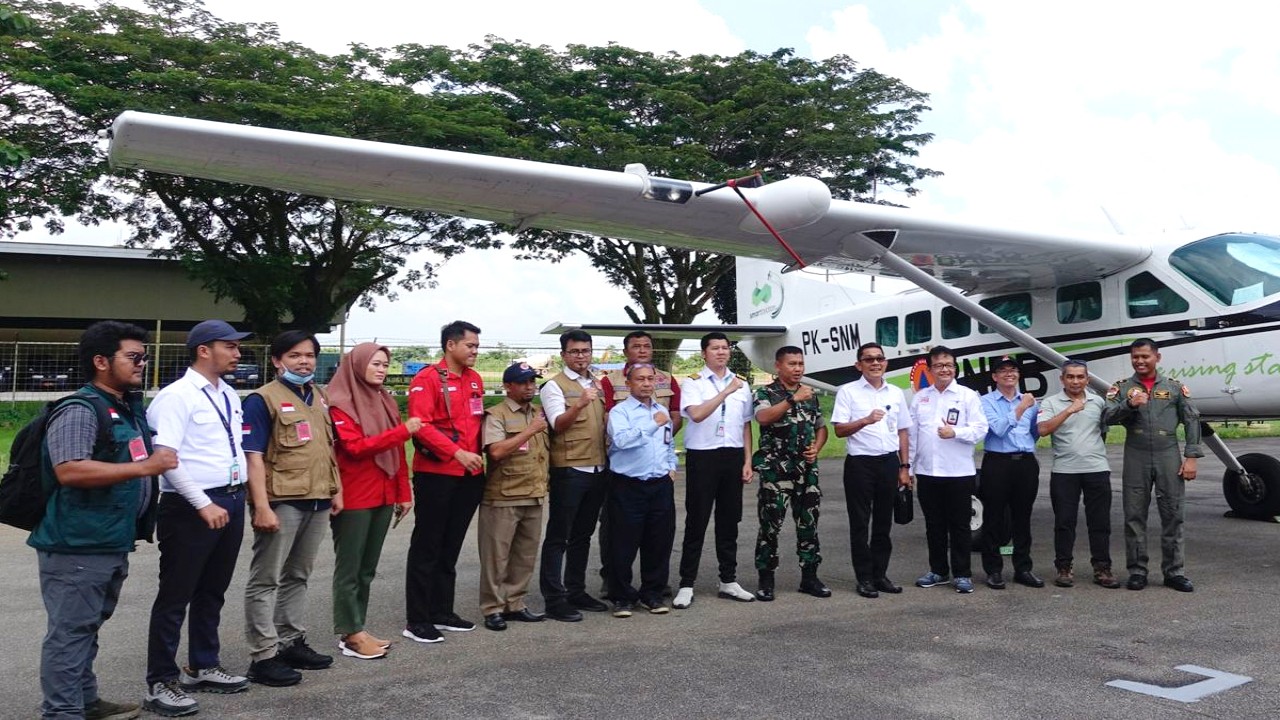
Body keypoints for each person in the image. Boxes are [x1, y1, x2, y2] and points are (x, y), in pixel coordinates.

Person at [31, 321, 175, 720]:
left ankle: (85, 701)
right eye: (133, 357)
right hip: (76, 544)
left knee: (86, 628)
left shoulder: (125, 407)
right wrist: (147, 467)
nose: (142, 363)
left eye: (143, 357)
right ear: (100, 361)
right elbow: (71, 470)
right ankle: (62, 713)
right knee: (69, 633)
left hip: (108, 539)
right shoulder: (80, 408)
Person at [144, 320, 253, 717]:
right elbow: (166, 460)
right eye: (230, 346)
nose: (238, 354)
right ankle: (161, 681)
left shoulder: (228, 394)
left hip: (231, 499)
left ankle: (203, 665)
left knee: (212, 590)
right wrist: (201, 503)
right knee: (176, 595)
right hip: (191, 507)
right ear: (204, 350)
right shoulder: (176, 397)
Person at [242, 331, 342, 686]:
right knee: (265, 579)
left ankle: (291, 642)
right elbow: (252, 457)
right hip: (281, 501)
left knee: (298, 576)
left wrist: (336, 490)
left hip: (316, 500)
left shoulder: (319, 396)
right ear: (276, 360)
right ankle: (263, 655)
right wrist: (261, 506)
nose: (304, 362)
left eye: (310, 355)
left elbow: (327, 449)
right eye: (295, 355)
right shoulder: (262, 399)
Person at [327, 343, 421, 657]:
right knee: (350, 568)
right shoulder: (340, 403)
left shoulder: (385, 401)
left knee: (367, 568)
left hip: (383, 493)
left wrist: (403, 492)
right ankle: (350, 632)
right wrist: (403, 432)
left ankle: (357, 628)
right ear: (357, 366)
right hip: (355, 495)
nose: (381, 370)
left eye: (385, 365)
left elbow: (395, 453)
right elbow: (355, 447)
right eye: (375, 364)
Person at [403, 321, 487, 642]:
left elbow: (477, 422)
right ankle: (418, 619)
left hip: (470, 476)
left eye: (477, 346)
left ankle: (442, 610)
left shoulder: (475, 379)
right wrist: (456, 453)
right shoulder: (428, 379)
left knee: (450, 545)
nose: (475, 351)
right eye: (470, 346)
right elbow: (420, 425)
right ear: (450, 345)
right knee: (428, 545)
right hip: (437, 474)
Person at [1103, 338, 1202, 593]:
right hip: (1135, 454)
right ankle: (1137, 571)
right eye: (1135, 356)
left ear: (1157, 357)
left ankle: (1174, 572)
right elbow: (1106, 417)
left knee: (1173, 513)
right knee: (1134, 515)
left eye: (1145, 356)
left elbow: (1192, 420)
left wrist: (1191, 457)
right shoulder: (1121, 388)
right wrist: (1129, 404)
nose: (1140, 361)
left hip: (1168, 452)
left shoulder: (1174, 387)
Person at [674, 332, 755, 608]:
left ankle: (728, 580)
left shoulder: (742, 385)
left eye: (725, 348)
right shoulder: (694, 383)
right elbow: (695, 414)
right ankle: (686, 583)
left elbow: (745, 425)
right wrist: (724, 392)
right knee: (697, 521)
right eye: (715, 348)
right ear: (704, 353)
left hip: (732, 456)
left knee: (729, 520)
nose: (721, 352)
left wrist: (747, 461)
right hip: (703, 457)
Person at [598, 330, 682, 596]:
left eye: (650, 379)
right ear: (629, 382)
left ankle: (653, 592)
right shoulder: (620, 411)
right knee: (622, 542)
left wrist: (671, 466)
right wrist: (650, 424)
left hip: (659, 483)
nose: (647, 384)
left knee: (658, 541)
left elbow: (668, 439)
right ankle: (620, 594)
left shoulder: (660, 409)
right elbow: (621, 440)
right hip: (627, 484)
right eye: (640, 380)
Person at [830, 342, 912, 599]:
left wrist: (904, 466)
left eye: (879, 359)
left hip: (888, 462)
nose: (875, 363)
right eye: (868, 359)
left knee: (884, 522)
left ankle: (880, 574)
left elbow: (902, 431)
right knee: (860, 522)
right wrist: (865, 420)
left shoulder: (896, 393)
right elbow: (839, 430)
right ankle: (864, 577)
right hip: (860, 463)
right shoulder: (848, 392)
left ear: (885, 363)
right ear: (859, 365)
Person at [538, 330, 609, 622]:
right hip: (570, 469)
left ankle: (576, 590)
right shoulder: (553, 386)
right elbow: (557, 424)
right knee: (559, 536)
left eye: (585, 350)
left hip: (598, 468)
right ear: (564, 355)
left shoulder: (598, 382)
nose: (581, 356)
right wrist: (578, 403)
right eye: (575, 351)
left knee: (583, 535)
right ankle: (555, 599)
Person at [751, 346, 830, 602]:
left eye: (800, 364)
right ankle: (766, 578)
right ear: (778, 366)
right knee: (770, 526)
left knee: (808, 524)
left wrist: (816, 448)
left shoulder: (810, 394)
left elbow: (821, 427)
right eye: (792, 364)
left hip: (805, 472)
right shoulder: (765, 393)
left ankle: (809, 577)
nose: (797, 369)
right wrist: (792, 399)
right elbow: (763, 417)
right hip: (776, 471)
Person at [477, 362, 550, 631]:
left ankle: (515, 603)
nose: (530, 386)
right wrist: (530, 430)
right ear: (508, 386)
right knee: (496, 557)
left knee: (525, 555)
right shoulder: (496, 415)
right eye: (523, 382)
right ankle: (493, 608)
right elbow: (495, 451)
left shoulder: (537, 413)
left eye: (533, 381)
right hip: (503, 497)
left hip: (533, 493)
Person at [909, 346, 988, 594]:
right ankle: (938, 570)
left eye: (949, 365)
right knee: (934, 525)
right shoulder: (921, 397)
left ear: (954, 368)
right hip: (927, 472)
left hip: (958, 473)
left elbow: (980, 429)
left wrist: (955, 432)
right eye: (939, 365)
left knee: (960, 526)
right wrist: (907, 468)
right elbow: (912, 436)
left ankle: (963, 573)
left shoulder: (967, 396)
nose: (945, 369)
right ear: (930, 369)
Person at [1037, 360, 1121, 589]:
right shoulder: (1051, 402)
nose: (1075, 381)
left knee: (1100, 522)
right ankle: (1064, 567)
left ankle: (1102, 568)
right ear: (1062, 379)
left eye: (1080, 377)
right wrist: (1069, 410)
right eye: (1070, 377)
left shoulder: (1098, 401)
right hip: (1065, 471)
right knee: (1064, 522)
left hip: (1097, 469)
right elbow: (1042, 430)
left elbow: (1104, 429)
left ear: (1088, 380)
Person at [978, 358, 1044, 590]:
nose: (1009, 374)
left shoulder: (1030, 402)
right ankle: (994, 570)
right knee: (994, 517)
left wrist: (1026, 406)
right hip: (997, 463)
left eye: (1013, 370)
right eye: (1003, 370)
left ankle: (1023, 568)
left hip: (1025, 462)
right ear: (994, 377)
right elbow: (997, 429)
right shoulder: (985, 401)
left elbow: (1035, 432)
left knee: (1023, 517)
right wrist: (1021, 407)